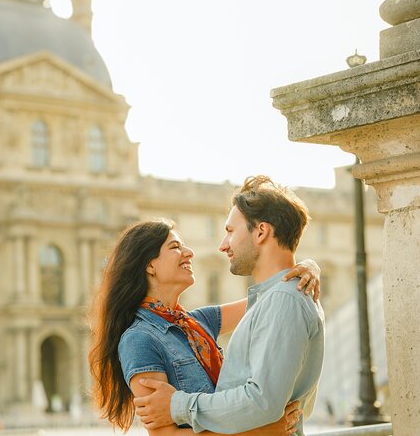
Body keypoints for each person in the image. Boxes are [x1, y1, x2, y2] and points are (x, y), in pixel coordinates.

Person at [89, 214, 321, 435]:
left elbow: (269, 297)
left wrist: (309, 267)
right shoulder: (138, 340)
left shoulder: (197, 323)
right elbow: (165, 435)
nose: (189, 253)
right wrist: (261, 432)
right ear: (149, 266)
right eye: (175, 247)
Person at [133, 176, 325, 436]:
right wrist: (308, 265)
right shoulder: (272, 299)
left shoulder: (284, 299)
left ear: (261, 231)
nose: (223, 245)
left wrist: (177, 404)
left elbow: (262, 402)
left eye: (230, 231)